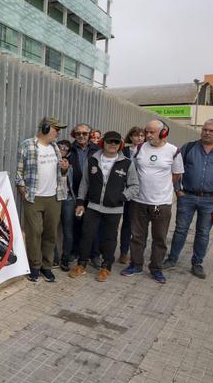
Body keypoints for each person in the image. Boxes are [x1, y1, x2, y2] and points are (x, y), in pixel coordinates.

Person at [163, 119, 213, 279]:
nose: (207, 133)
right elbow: (175, 169)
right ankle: (172, 259)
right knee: (180, 230)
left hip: (211, 200)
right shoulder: (188, 147)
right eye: (205, 129)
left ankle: (197, 264)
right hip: (187, 197)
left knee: (203, 233)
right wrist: (177, 190)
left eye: (211, 131)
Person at [69, 131, 139, 281]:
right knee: (87, 236)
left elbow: (134, 186)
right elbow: (85, 183)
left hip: (114, 209)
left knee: (109, 238)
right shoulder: (93, 160)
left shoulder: (127, 163)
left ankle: (106, 267)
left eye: (116, 142)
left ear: (120, 144)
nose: (112, 145)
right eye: (109, 142)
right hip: (93, 206)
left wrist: (121, 197)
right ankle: (81, 264)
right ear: (103, 143)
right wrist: (81, 202)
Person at [121, 120, 184, 284]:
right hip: (138, 201)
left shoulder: (174, 151)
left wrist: (160, 188)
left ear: (163, 133)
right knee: (137, 236)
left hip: (161, 203)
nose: (147, 135)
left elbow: (176, 175)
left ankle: (156, 268)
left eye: (151, 132)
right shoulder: (140, 148)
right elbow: (133, 169)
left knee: (159, 238)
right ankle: (135, 265)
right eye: (146, 131)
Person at [16, 116, 70, 282]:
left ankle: (47, 267)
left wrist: (64, 169)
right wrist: (22, 188)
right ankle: (35, 266)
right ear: (45, 128)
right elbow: (19, 170)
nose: (58, 133)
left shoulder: (54, 147)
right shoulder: (27, 145)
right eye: (56, 129)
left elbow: (59, 172)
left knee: (50, 233)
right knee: (34, 233)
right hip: (34, 197)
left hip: (54, 197)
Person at [66, 123, 99, 269]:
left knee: (93, 226)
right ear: (74, 134)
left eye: (84, 133)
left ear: (89, 135)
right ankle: (75, 251)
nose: (81, 136)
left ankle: (94, 254)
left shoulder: (97, 150)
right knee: (76, 223)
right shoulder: (69, 150)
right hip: (74, 194)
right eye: (78, 133)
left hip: (92, 195)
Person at [118, 126, 145, 264]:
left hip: (138, 192)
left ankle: (128, 252)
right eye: (136, 135)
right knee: (122, 223)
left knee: (132, 223)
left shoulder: (147, 151)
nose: (139, 138)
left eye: (141, 135)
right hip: (122, 190)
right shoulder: (124, 151)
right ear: (131, 137)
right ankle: (122, 252)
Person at [55, 139, 76, 271]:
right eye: (60, 146)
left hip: (68, 199)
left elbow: (71, 181)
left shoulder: (71, 163)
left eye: (66, 148)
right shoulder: (51, 161)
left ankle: (65, 259)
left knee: (68, 231)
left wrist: (66, 168)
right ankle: (54, 258)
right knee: (51, 230)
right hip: (54, 199)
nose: (63, 149)